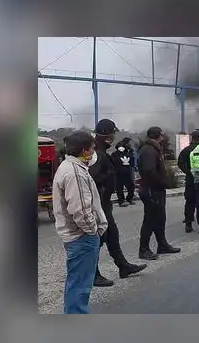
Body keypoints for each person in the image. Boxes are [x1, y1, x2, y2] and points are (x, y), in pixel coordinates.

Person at [53, 130, 106, 314]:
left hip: (76, 236)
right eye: (92, 149)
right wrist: (92, 230)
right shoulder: (75, 172)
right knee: (80, 285)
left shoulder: (68, 167)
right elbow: (81, 209)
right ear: (84, 150)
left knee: (76, 282)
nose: (94, 153)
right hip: (81, 237)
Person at [89, 119, 146, 285]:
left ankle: (123, 266)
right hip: (99, 205)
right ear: (107, 134)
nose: (114, 136)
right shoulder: (97, 154)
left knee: (112, 236)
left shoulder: (101, 151)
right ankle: (93, 274)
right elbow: (92, 179)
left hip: (105, 204)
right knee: (98, 240)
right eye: (113, 133)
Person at [137, 126, 182, 259]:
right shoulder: (149, 150)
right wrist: (162, 182)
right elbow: (149, 171)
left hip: (156, 189)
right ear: (158, 136)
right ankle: (144, 249)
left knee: (160, 218)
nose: (163, 137)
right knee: (150, 219)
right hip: (151, 189)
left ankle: (162, 245)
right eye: (162, 135)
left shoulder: (154, 148)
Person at [177, 130, 199, 233]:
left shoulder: (186, 150)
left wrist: (188, 172)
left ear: (192, 138)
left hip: (191, 179)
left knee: (190, 202)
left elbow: (180, 163)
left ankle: (188, 224)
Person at [112, 137, 136, 206]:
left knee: (131, 187)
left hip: (127, 173)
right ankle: (121, 201)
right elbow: (112, 163)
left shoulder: (128, 153)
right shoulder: (114, 154)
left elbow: (132, 161)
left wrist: (132, 168)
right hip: (118, 174)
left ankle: (129, 199)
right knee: (119, 188)